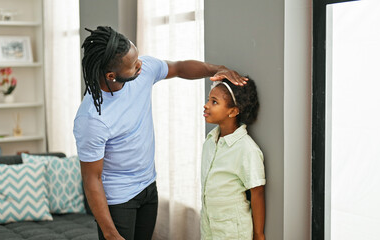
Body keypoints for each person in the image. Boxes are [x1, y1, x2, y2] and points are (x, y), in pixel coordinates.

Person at [73, 26, 248, 240]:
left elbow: (179, 68)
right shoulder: (92, 118)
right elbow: (92, 178)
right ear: (112, 76)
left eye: (137, 58)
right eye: (133, 64)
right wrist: (110, 234)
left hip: (148, 187)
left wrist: (216, 69)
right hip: (118, 199)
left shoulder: (142, 71)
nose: (141, 65)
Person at [201, 78, 265, 240]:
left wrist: (258, 234)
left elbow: (257, 193)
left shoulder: (246, 149)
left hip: (233, 230)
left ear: (233, 111)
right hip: (209, 224)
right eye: (209, 99)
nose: (206, 105)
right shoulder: (209, 141)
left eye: (214, 102)